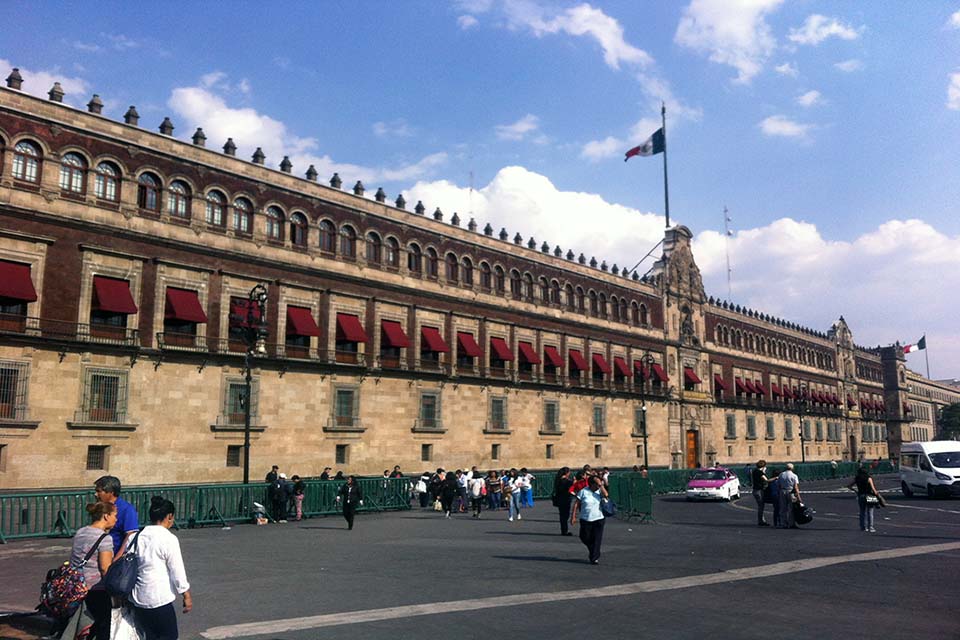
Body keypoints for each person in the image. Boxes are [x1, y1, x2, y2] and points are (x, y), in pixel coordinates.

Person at [131, 496, 192, 640]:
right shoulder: (168, 538)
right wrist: (186, 594)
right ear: (169, 516)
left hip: (138, 597)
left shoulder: (136, 536)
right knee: (169, 635)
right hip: (159, 598)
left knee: (149, 635)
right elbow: (177, 570)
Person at [65, 502, 116, 639]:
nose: (116, 519)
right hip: (96, 589)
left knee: (80, 627)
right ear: (106, 516)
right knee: (100, 628)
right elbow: (105, 568)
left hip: (77, 587)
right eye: (114, 515)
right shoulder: (105, 539)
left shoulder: (80, 532)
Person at [94, 475, 138, 554]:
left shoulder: (127, 510)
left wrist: (117, 558)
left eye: (99, 491)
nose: (95, 494)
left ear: (110, 492)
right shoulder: (100, 507)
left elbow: (130, 536)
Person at [571, 475, 608, 564]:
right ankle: (593, 550)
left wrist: (601, 486)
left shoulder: (599, 491)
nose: (598, 486)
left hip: (599, 518)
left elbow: (606, 495)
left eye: (599, 484)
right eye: (596, 484)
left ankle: (594, 558)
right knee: (584, 537)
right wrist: (573, 516)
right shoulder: (583, 492)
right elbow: (576, 504)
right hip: (585, 519)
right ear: (591, 484)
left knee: (597, 539)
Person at [848, 466, 884, 532]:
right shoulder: (869, 478)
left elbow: (849, 486)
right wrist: (877, 495)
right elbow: (873, 489)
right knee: (870, 512)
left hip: (861, 495)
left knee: (862, 512)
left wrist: (855, 490)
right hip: (869, 495)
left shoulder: (857, 478)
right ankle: (871, 527)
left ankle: (863, 527)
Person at [777, 463, 801, 529]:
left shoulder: (781, 474)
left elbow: (778, 484)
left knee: (783, 508)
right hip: (791, 492)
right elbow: (796, 487)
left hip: (782, 491)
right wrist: (798, 496)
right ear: (792, 468)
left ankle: (783, 523)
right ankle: (791, 523)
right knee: (791, 508)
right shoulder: (794, 475)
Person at [553, 467, 574, 536]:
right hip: (565, 499)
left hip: (559, 499)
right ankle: (565, 530)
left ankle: (564, 530)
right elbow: (571, 486)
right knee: (565, 515)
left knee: (562, 515)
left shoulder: (558, 480)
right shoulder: (566, 481)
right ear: (567, 473)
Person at [751, 460, 772, 526]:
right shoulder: (760, 473)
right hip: (759, 491)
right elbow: (767, 480)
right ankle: (760, 521)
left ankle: (762, 520)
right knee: (761, 506)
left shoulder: (754, 471)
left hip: (755, 490)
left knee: (760, 506)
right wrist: (776, 478)